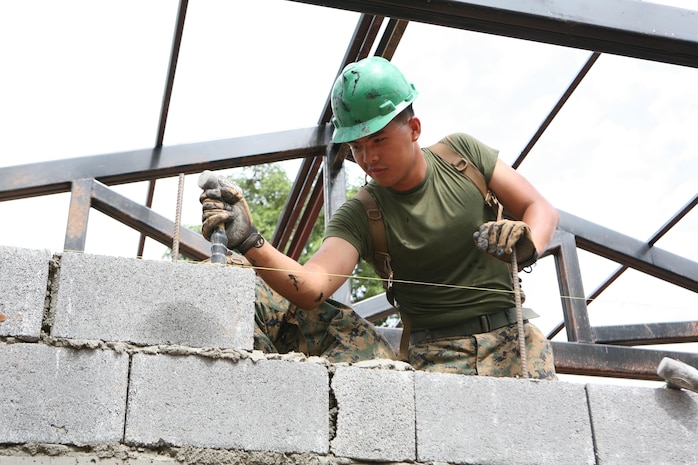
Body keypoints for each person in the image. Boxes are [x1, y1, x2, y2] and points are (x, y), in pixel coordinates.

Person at [200, 56, 559, 379]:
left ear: (414, 129)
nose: (367, 157)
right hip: (435, 361)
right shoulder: (361, 214)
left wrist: (528, 242)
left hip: (518, 346)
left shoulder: (462, 157)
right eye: (357, 146)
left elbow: (541, 208)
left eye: (379, 140)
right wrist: (251, 242)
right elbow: (313, 286)